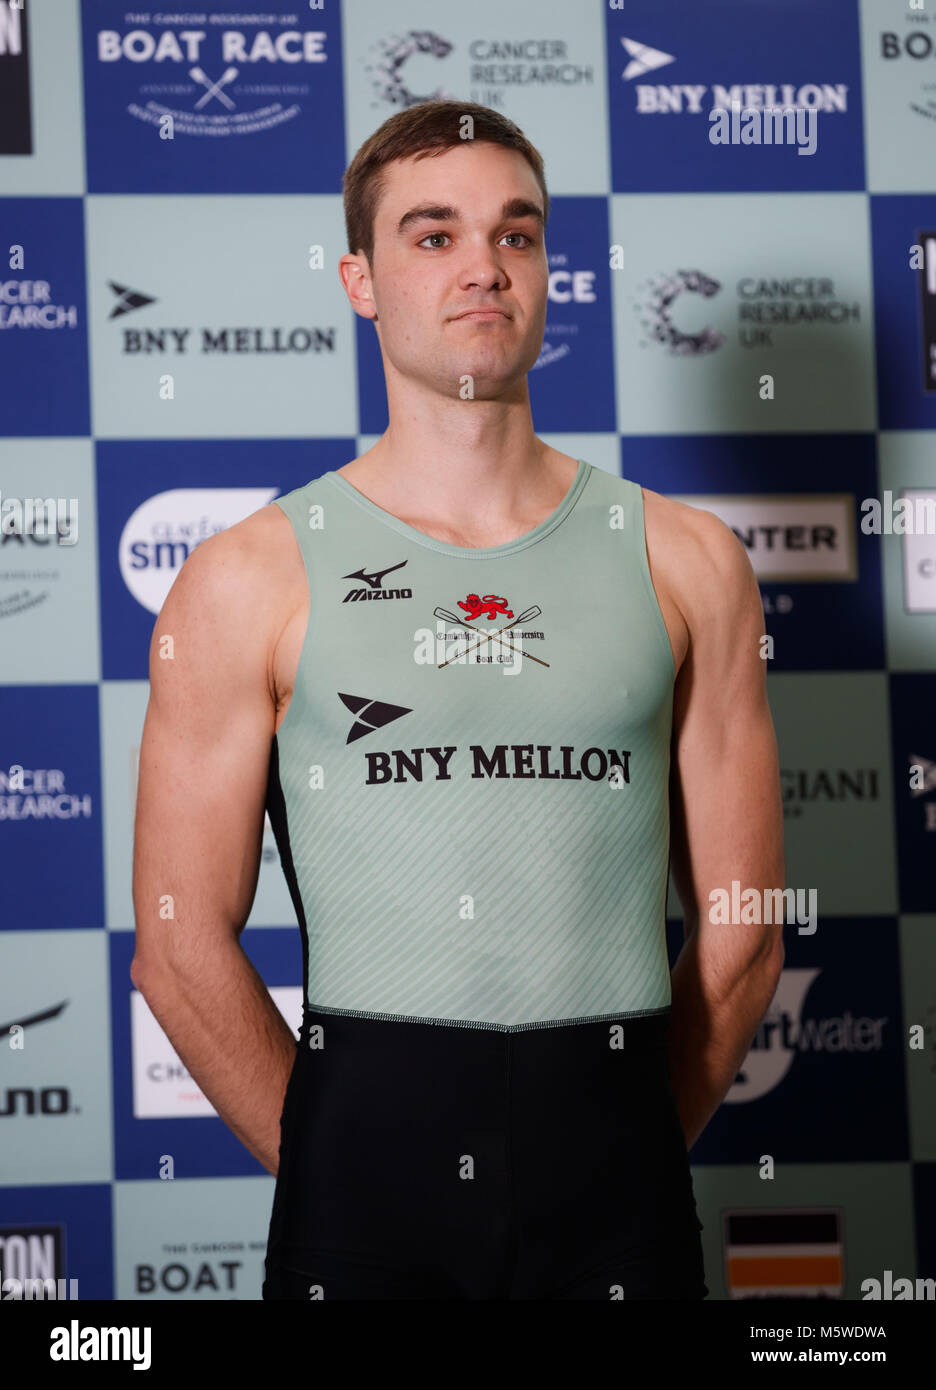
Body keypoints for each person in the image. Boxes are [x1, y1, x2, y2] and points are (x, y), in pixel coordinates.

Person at [131, 100, 785, 1301]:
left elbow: (741, 931)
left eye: (516, 234)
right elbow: (177, 946)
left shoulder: (687, 561)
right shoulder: (249, 576)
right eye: (432, 236)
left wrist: (610, 1153)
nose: (484, 265)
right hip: (361, 1203)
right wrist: (349, 1168)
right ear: (361, 279)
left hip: (621, 1205)